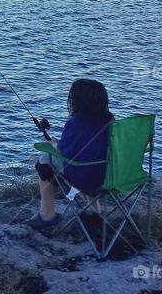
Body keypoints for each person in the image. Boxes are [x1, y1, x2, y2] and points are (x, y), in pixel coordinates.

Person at [29, 79, 114, 232]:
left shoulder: (75, 123)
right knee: (92, 160)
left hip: (85, 179)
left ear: (78, 101)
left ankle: (47, 215)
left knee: (44, 160)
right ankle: (95, 212)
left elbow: (64, 151)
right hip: (112, 178)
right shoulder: (111, 122)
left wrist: (54, 144)